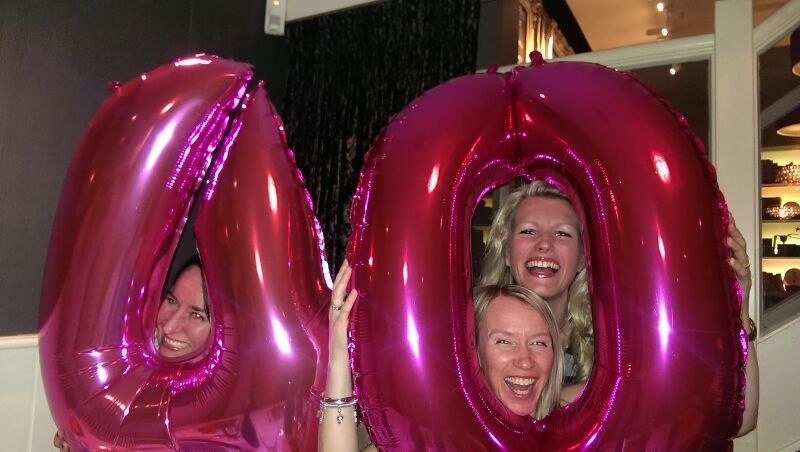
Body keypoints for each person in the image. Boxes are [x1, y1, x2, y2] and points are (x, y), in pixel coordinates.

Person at [479, 180, 758, 436]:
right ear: (506, 251)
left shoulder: (618, 338)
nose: (544, 244)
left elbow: (740, 418)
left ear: (582, 258)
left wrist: (737, 305)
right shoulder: (471, 329)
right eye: (528, 231)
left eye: (562, 234)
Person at [318, 262, 563, 451]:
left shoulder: (569, 437)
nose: (525, 361)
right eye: (504, 342)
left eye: (539, 343)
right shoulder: (432, 438)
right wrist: (338, 356)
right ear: (471, 353)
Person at [54, 255, 212, 450]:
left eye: (196, 315)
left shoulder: (226, 422)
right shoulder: (133, 376)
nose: (169, 326)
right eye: (171, 300)